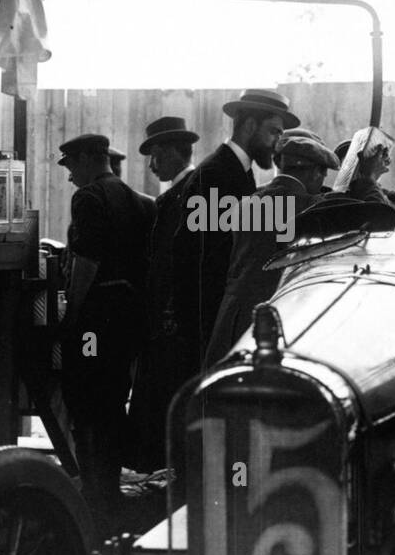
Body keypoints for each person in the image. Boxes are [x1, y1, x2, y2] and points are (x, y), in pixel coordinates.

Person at [56, 133, 153, 539]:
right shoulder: (142, 202)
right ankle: (108, 493)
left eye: (72, 166)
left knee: (84, 402)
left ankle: (93, 497)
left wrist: (72, 315)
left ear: (89, 159)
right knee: (112, 403)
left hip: (95, 320)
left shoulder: (90, 198)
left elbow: (86, 262)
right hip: (128, 320)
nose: (70, 178)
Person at [171, 88, 298, 373]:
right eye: (274, 132)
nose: (278, 144)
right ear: (250, 125)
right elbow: (196, 258)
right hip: (210, 321)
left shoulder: (238, 172)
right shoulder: (215, 174)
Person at [205, 129, 339, 365]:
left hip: (232, 321)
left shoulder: (246, 202)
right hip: (278, 323)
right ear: (318, 173)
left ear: (279, 164)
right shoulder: (315, 207)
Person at [126, 115, 199, 472]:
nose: (152, 165)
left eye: (156, 155)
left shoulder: (186, 194)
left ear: (174, 151)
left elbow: (176, 261)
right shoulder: (180, 192)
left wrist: (168, 312)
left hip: (173, 321)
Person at [334, 136, 395, 219]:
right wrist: (369, 178)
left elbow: (389, 217)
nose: (354, 168)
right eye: (347, 163)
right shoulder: (334, 199)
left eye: (361, 163)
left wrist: (369, 178)